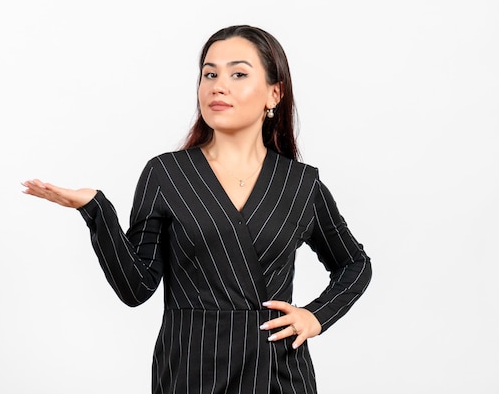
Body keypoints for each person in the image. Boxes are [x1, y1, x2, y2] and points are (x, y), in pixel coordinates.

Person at [22, 24, 372, 394]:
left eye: (238, 74)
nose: (218, 86)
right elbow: (135, 287)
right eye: (210, 74)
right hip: (192, 370)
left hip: (278, 374)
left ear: (274, 93)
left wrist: (316, 316)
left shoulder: (299, 184)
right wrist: (96, 210)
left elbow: (355, 264)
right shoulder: (167, 174)